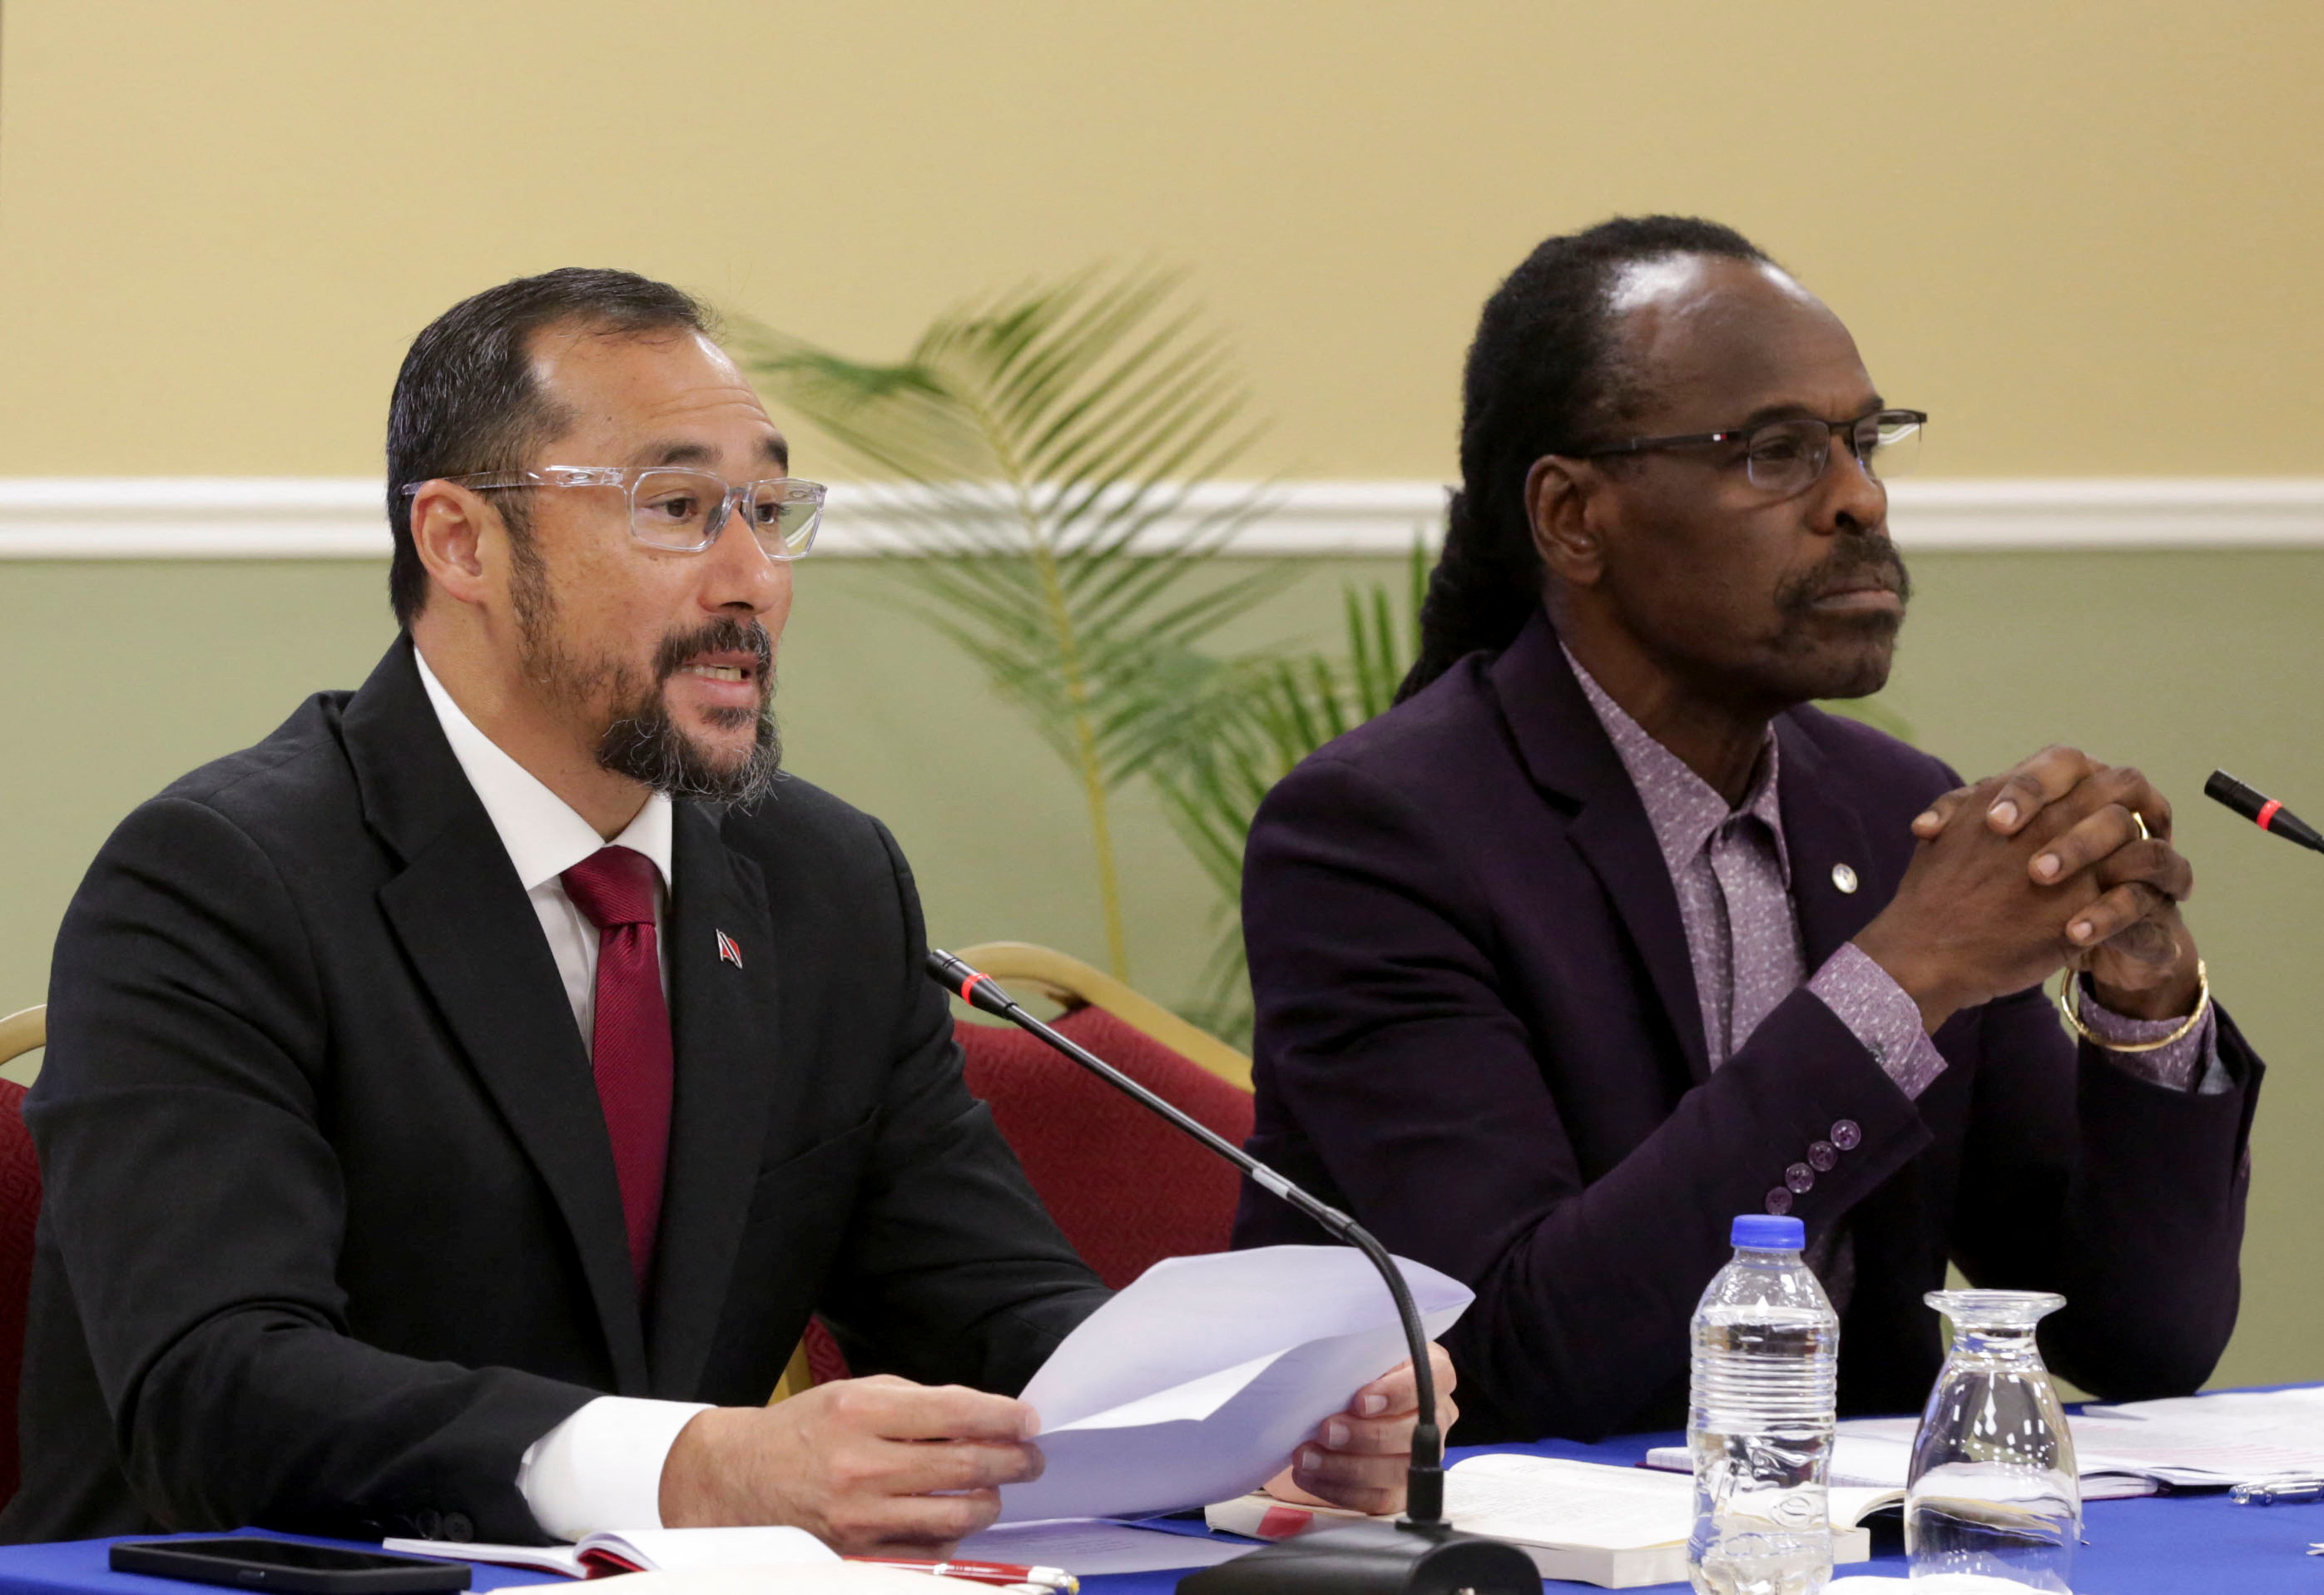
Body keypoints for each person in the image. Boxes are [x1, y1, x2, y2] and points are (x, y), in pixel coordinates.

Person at [4, 269, 1448, 1548]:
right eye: (678, 508)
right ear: (459, 542)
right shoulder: (219, 879)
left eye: (768, 508)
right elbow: (214, 1387)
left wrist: (1255, 1419)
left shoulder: (820, 879)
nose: (755, 580)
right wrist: (699, 1462)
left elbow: (991, 1308)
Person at [1232, 217, 2262, 1444]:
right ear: (1573, 517)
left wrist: (2143, 1008)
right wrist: (1904, 975)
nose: (1859, 498)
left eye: (1863, 441)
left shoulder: (1889, 809)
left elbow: (2136, 1340)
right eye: (1775, 451)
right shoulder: (1380, 837)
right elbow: (1519, 1360)